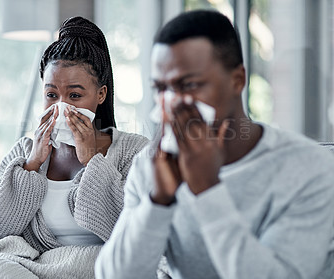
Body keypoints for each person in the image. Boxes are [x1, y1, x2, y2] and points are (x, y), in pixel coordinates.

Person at [95, 10, 334, 279]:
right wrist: (158, 201)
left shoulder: (309, 168)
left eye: (189, 85)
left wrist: (207, 189)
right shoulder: (152, 165)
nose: (173, 102)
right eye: (161, 89)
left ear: (237, 80)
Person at [0, 16, 148, 279]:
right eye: (51, 95)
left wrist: (92, 161)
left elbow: (141, 231)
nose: (61, 106)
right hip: (28, 265)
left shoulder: (135, 152)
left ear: (101, 94)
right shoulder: (24, 151)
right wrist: (31, 165)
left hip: (97, 266)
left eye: (74, 95)